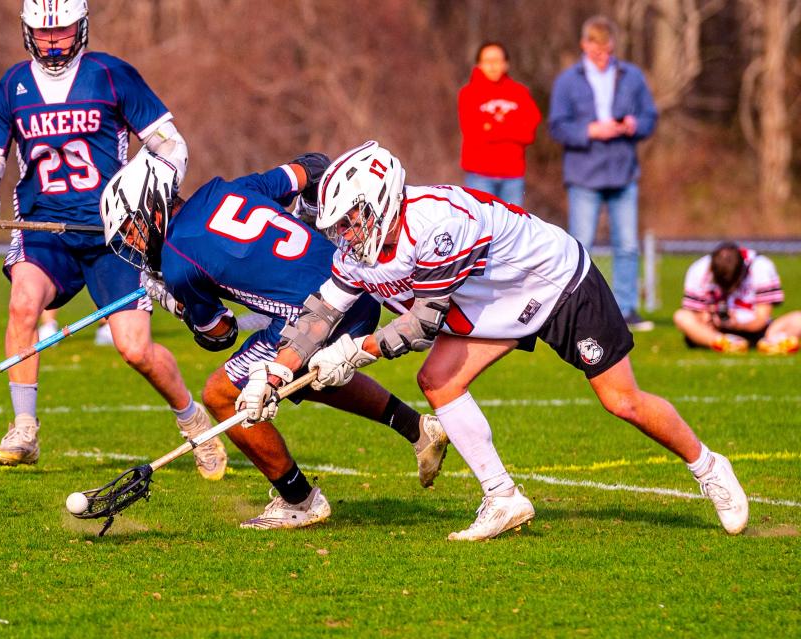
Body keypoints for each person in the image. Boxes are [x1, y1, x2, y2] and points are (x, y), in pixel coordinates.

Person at [240, 140, 749, 540]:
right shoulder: (359, 252)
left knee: (622, 401)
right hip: (490, 303)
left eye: (351, 220)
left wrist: (356, 351)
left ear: (382, 200)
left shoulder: (438, 224)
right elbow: (321, 312)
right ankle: (502, 496)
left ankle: (708, 467)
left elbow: (423, 323)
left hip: (554, 283)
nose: (347, 236)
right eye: (340, 227)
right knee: (437, 380)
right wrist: (277, 371)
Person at [100, 148, 450, 529]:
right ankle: (416, 428)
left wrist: (176, 301)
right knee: (304, 378)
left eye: (132, 228)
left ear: (154, 207)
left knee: (222, 394)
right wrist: (307, 214)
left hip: (312, 315)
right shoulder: (229, 189)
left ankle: (299, 500)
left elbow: (220, 334)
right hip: (354, 288)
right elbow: (314, 166)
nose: (133, 242)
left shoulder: (178, 262)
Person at [0, 0, 228, 481]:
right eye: (44, 33)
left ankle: (192, 420)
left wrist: (151, 189)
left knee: (135, 349)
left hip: (111, 235)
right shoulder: (13, 85)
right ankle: (23, 430)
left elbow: (170, 145)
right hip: (43, 231)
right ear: (27, 33)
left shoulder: (110, 74)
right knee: (23, 306)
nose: (54, 42)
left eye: (63, 32)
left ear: (81, 30)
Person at [548, 15, 658, 332]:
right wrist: (590, 130)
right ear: (585, 45)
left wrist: (634, 125)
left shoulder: (632, 77)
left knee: (626, 244)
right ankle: (576, 311)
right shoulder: (568, 81)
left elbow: (650, 116)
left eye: (608, 50)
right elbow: (557, 126)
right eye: (597, 50)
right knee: (581, 247)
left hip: (623, 172)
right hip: (584, 173)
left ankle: (625, 310)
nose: (603, 56)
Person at [673, 242, 801, 354]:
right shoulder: (699, 269)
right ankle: (721, 342)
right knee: (681, 316)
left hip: (758, 329)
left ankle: (772, 340)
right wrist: (709, 318)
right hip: (716, 330)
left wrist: (737, 324)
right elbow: (696, 313)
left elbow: (762, 318)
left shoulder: (761, 266)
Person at [457, 41, 541, 206]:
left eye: (497, 60)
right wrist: (512, 127)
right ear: (479, 64)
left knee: (513, 228)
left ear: (506, 64)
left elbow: (529, 133)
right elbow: (474, 132)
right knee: (483, 227)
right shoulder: (468, 94)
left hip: (513, 176)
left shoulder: (520, 92)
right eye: (488, 61)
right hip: (480, 175)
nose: (493, 65)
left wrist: (492, 127)